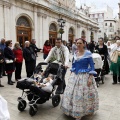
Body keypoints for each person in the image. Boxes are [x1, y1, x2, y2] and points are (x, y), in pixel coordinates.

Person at [61, 38, 99, 120]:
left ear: (84, 44)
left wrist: (90, 78)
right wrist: (71, 74)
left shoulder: (88, 53)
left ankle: (84, 111)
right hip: (75, 75)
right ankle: (72, 110)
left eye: (80, 43)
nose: (78, 45)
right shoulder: (75, 53)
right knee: (72, 94)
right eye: (77, 43)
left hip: (84, 76)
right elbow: (74, 65)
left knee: (83, 94)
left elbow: (92, 66)